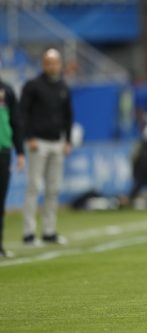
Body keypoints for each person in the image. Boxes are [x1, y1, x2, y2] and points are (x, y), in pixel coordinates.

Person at [20, 48, 73, 245]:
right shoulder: (33, 86)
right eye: (48, 62)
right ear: (43, 64)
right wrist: (29, 136)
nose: (52, 66)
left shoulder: (63, 86)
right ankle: (29, 233)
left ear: (60, 64)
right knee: (34, 187)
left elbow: (68, 115)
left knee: (54, 188)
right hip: (38, 142)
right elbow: (23, 113)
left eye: (55, 62)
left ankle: (49, 231)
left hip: (57, 142)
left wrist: (67, 140)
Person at [0, 74, 25, 257]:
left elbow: (16, 122)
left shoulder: (7, 90)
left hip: (4, 150)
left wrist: (20, 152)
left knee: (0, 200)